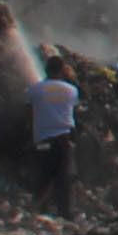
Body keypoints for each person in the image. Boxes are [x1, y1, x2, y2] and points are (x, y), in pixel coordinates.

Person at [25, 61, 80, 212]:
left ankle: (40, 210)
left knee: (43, 175)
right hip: (64, 141)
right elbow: (73, 113)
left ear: (45, 69)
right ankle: (65, 213)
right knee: (64, 177)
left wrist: (31, 138)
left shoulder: (33, 89)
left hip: (43, 141)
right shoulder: (72, 90)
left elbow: (29, 115)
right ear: (62, 70)